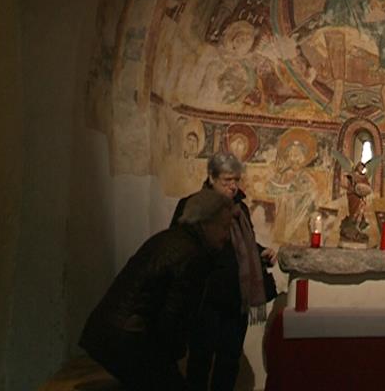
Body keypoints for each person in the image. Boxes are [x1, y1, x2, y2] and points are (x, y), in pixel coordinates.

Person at [79, 189, 234, 390]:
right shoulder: (192, 254)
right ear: (204, 222)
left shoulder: (172, 238)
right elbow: (173, 315)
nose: (227, 236)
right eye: (224, 227)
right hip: (128, 340)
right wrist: (171, 360)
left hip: (109, 334)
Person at [171, 152, 278, 391]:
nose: (233, 186)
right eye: (226, 181)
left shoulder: (240, 209)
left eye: (236, 180)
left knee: (229, 361)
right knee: (200, 360)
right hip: (205, 297)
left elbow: (244, 244)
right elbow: (178, 246)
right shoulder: (192, 206)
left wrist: (260, 251)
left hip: (235, 298)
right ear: (211, 178)